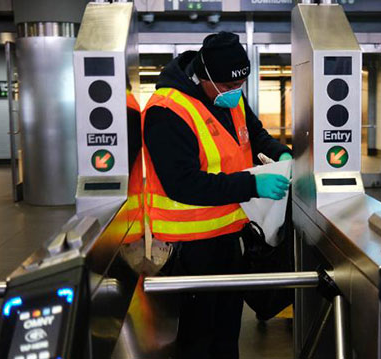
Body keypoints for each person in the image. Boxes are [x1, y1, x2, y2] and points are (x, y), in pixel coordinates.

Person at [141, 32, 292, 359]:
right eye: (226, 86)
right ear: (203, 75)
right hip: (188, 247)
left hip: (227, 237)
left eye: (240, 84)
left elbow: (256, 134)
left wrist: (280, 153)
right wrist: (251, 186)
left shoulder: (231, 95)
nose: (234, 92)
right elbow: (182, 183)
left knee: (226, 333)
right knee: (196, 339)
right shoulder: (166, 110)